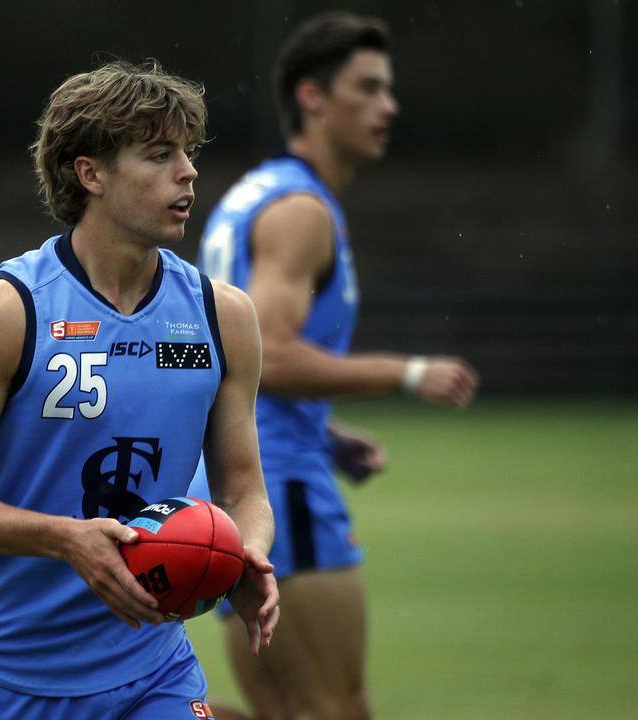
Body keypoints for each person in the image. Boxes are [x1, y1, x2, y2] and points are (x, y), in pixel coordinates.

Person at [0, 60, 281, 718]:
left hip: (156, 672)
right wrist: (64, 538)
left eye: (187, 154)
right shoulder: (1, 313)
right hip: (11, 676)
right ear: (91, 173)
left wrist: (241, 556)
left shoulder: (223, 317)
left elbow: (244, 487)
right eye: (159, 155)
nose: (187, 172)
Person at [190, 12, 480, 720]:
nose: (389, 107)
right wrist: (407, 373)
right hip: (275, 485)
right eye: (369, 88)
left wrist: (327, 432)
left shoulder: (250, 198)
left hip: (239, 473)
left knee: (289, 713)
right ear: (313, 96)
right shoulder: (300, 212)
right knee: (336, 710)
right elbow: (273, 352)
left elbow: (237, 360)